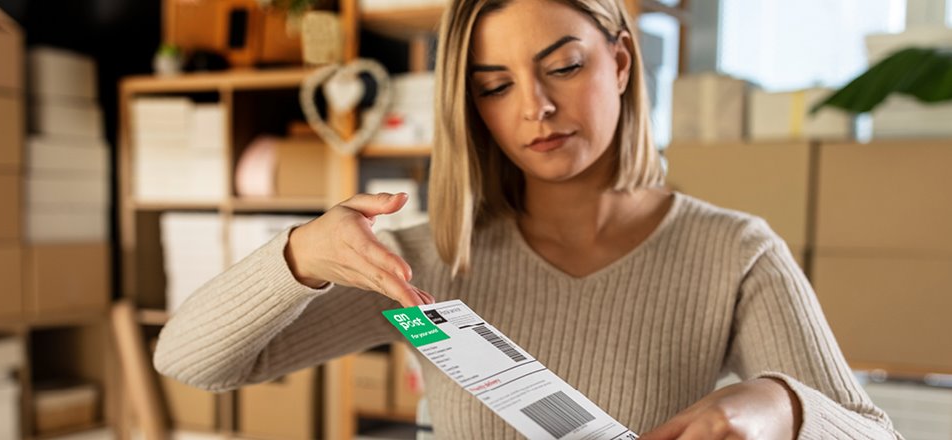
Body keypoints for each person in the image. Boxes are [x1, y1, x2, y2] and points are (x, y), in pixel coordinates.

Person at [155, 0, 902, 437]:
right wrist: (297, 257)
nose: (534, 108)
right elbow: (189, 362)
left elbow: (872, 433)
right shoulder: (424, 262)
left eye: (564, 67)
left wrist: (775, 404)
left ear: (619, 62)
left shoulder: (733, 252)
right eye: (494, 85)